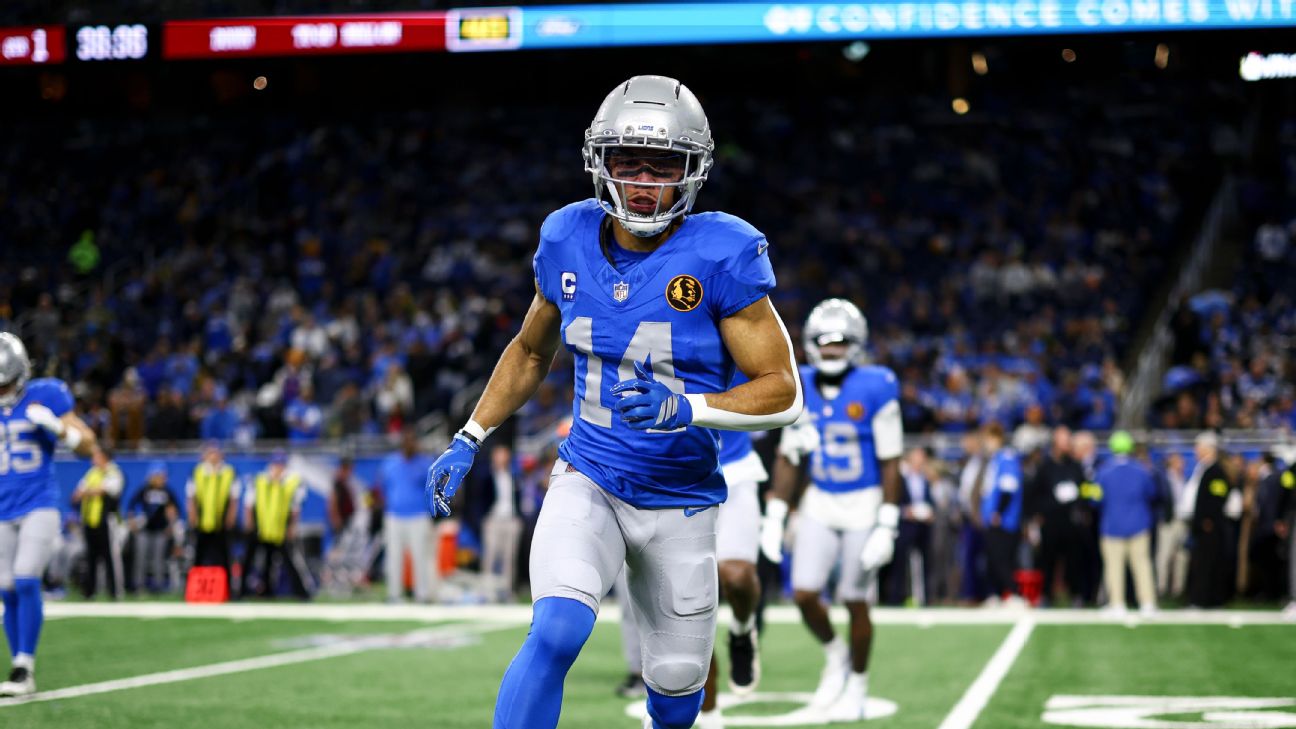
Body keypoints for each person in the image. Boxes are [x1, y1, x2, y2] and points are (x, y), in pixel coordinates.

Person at [424, 76, 801, 729]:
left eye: (664, 166)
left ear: (693, 172)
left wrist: (688, 407)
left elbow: (783, 388)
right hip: (590, 477)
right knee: (557, 628)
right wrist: (470, 435)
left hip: (682, 498)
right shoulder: (566, 236)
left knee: (676, 696)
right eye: (629, 162)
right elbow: (530, 350)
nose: (644, 182)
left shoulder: (722, 251)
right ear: (600, 162)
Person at [764, 298, 903, 721]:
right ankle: (836, 653)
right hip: (820, 500)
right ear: (810, 344)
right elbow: (789, 456)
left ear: (856, 344)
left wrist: (888, 522)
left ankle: (858, 684)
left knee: (855, 599)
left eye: (841, 342)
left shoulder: (877, 384)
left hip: (864, 503)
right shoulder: (799, 383)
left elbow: (891, 459)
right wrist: (776, 513)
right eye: (824, 342)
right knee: (804, 592)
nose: (832, 349)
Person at [617, 426, 772, 729]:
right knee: (689, 600)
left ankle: (742, 631)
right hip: (674, 479)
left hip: (734, 470)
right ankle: (710, 715)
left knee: (737, 577)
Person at [0, 332, 97, 697]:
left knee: (26, 579)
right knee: (6, 587)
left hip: (38, 502)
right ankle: (19, 667)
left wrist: (59, 429)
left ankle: (24, 666)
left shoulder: (47, 394)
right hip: (2, 507)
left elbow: (88, 446)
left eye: (6, 383)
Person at [1094, 431, 1158, 616]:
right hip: (1139, 524)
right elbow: (1152, 494)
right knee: (1142, 565)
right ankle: (1147, 603)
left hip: (1112, 525)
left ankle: (1117, 604)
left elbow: (1095, 499)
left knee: (1114, 567)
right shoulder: (1142, 470)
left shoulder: (1103, 472)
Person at [240, 451, 311, 599]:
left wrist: (292, 526)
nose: (278, 467)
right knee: (252, 559)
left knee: (288, 560)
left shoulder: (292, 481)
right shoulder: (260, 479)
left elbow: (295, 508)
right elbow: (249, 502)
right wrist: (249, 521)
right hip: (261, 526)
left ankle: (301, 593)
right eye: (276, 464)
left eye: (280, 464)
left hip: (280, 528)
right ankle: (244, 591)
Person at [378, 428, 436, 603]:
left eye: (412, 441)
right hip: (394, 516)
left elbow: (434, 488)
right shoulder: (390, 463)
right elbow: (380, 487)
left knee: (421, 556)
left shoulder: (425, 463)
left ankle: (422, 595)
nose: (409, 444)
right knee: (393, 557)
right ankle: (394, 595)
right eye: (406, 441)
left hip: (418, 515)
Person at [1184, 431, 1236, 607]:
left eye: (1199, 447)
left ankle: (1206, 599)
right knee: (1202, 562)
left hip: (1210, 526)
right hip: (1204, 525)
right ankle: (1202, 598)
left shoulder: (1216, 471)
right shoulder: (1204, 469)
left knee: (1208, 563)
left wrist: (1208, 520)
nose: (1196, 450)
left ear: (1208, 449)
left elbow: (1218, 497)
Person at [70, 446, 125, 599]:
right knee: (90, 556)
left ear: (104, 457)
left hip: (107, 521)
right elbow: (77, 494)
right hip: (90, 520)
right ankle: (89, 592)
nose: (93, 459)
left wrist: (87, 492)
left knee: (110, 557)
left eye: (97, 456)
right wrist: (88, 492)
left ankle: (115, 592)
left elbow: (105, 490)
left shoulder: (114, 472)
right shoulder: (92, 473)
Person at [185, 442, 239, 591]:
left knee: (225, 556)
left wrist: (231, 516)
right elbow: (191, 497)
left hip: (221, 521)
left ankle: (227, 589)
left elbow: (234, 498)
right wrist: (192, 515)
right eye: (210, 453)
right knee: (198, 556)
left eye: (215, 453)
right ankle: (193, 588)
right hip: (202, 521)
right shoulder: (197, 471)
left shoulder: (229, 472)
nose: (213, 456)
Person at [980, 422, 1024, 604]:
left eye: (988, 439)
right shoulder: (995, 459)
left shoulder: (1006, 457)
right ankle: (996, 595)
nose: (985, 443)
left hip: (1004, 520)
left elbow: (1008, 487)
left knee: (1001, 559)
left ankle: (1014, 594)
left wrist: (998, 512)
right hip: (993, 518)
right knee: (992, 558)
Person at [128, 462, 179, 594]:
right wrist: (132, 522)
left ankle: (158, 585)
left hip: (161, 530)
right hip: (145, 529)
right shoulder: (145, 490)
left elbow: (174, 510)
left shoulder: (167, 492)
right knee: (141, 557)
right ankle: (139, 585)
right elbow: (131, 505)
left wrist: (171, 526)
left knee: (159, 558)